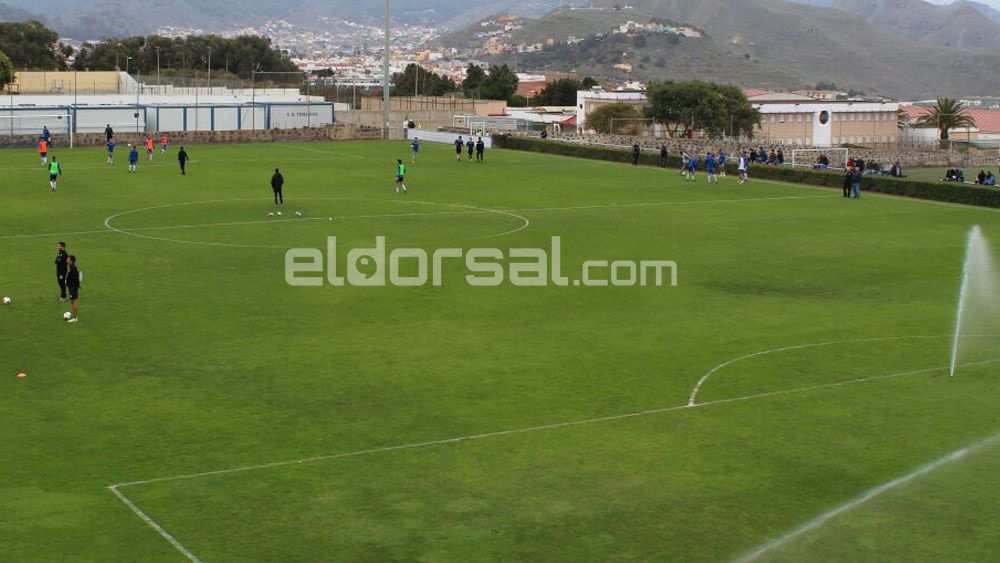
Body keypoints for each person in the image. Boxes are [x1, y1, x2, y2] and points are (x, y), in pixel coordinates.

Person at [65, 254, 81, 323]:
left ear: (71, 261)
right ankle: (74, 314)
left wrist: (77, 285)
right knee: (72, 301)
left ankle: (75, 317)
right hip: (72, 287)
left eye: (68, 259)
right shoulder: (71, 267)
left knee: (74, 302)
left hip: (72, 288)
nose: (66, 260)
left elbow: (75, 279)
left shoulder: (73, 269)